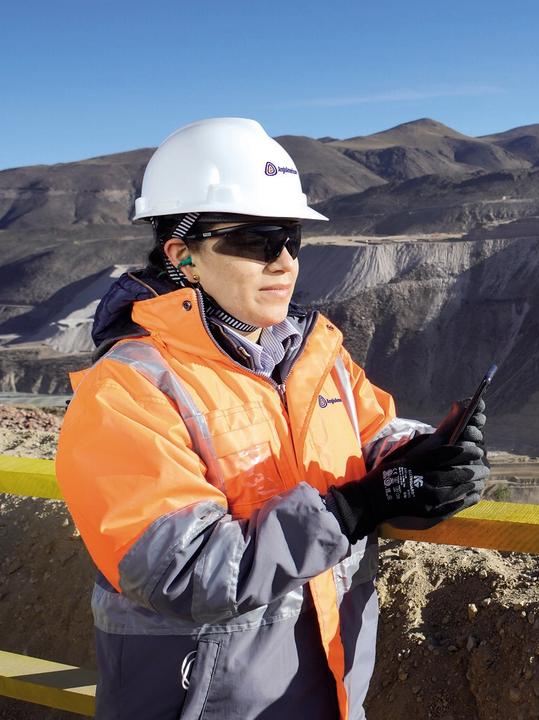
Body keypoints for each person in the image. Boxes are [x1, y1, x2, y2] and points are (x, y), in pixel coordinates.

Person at [54, 117, 488, 719]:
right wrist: (355, 508)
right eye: (256, 241)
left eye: (291, 239)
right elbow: (183, 572)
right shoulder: (126, 390)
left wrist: (427, 459)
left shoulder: (315, 357)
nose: (283, 262)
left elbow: (373, 437)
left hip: (329, 689)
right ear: (184, 256)